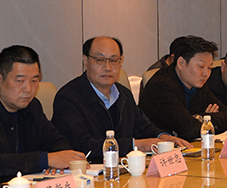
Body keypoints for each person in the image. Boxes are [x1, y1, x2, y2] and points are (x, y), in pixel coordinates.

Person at [0, 45, 84, 181]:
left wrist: (58, 161)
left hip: (29, 187)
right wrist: (46, 160)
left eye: (34, 81)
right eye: (20, 81)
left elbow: (57, 142)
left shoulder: (32, 106)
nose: (28, 89)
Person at [52, 36, 187, 156]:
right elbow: (83, 145)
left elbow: (143, 127)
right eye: (100, 60)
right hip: (89, 171)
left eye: (113, 60)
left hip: (123, 169)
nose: (108, 67)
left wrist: (163, 137)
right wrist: (136, 145)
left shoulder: (123, 94)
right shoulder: (68, 98)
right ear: (85, 60)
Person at [138, 35, 227, 141]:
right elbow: (189, 130)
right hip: (158, 148)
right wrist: (205, 118)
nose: (206, 73)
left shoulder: (198, 84)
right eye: (201, 66)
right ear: (181, 63)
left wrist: (199, 118)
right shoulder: (162, 85)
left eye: (209, 67)